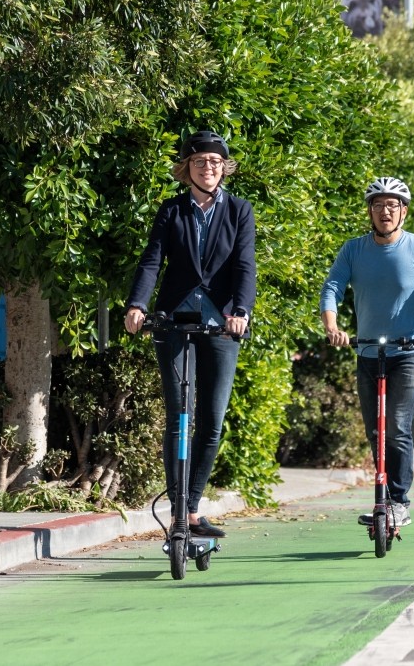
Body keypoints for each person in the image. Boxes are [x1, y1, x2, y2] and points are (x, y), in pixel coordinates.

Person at [124, 130, 255, 540]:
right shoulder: (171, 210)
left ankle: (193, 506)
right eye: (200, 162)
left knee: (212, 420)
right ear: (187, 169)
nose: (209, 168)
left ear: (223, 168)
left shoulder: (239, 210)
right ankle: (178, 510)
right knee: (181, 416)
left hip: (221, 322)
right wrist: (137, 305)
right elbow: (152, 261)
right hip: (174, 320)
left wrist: (241, 311)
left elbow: (244, 266)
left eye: (215, 162)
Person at [321, 176, 414, 528]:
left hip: (411, 349)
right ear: (370, 211)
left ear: (403, 212)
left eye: (392, 205)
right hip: (367, 350)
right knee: (374, 429)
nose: (384, 211)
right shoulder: (354, 249)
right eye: (378, 205)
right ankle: (381, 499)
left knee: (395, 425)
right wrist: (332, 327)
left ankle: (399, 501)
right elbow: (332, 287)